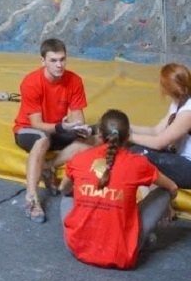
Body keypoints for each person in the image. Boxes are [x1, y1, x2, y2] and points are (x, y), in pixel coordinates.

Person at [59, 109, 178, 269]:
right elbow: (172, 187)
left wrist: (88, 194)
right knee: (164, 192)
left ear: (99, 135)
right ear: (128, 136)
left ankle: (84, 231)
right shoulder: (138, 164)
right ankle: (138, 238)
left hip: (78, 248)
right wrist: (167, 210)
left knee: (66, 195)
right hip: (121, 254)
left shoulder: (80, 158)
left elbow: (63, 188)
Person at [13, 38, 93, 223]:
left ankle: (47, 167)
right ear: (43, 62)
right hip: (28, 130)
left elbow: (77, 115)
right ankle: (31, 198)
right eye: (53, 60)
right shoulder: (31, 82)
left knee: (95, 138)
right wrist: (61, 127)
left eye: (62, 59)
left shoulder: (74, 80)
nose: (59, 65)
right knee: (42, 139)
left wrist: (80, 127)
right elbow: (36, 123)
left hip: (58, 128)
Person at [129, 63, 191, 190]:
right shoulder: (181, 101)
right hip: (188, 160)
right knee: (136, 147)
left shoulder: (190, 112)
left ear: (166, 88)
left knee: (138, 153)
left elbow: (158, 143)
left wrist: (128, 136)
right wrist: (128, 127)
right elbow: (156, 131)